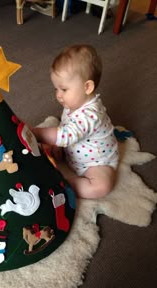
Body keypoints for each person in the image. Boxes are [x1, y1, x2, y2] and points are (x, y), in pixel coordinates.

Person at [31, 44, 119, 199]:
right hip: (73, 150)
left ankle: (63, 186)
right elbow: (66, 126)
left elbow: (66, 134)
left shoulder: (91, 115)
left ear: (87, 87)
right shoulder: (74, 102)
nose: (58, 95)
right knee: (46, 149)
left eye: (63, 89)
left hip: (96, 162)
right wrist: (58, 145)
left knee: (102, 186)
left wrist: (36, 133)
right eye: (56, 89)